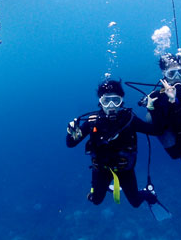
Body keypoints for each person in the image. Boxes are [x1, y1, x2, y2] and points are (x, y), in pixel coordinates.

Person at [66, 79, 160, 208]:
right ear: (100, 102)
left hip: (125, 170)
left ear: (121, 101)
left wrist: (151, 109)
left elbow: (155, 130)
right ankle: (107, 187)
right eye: (106, 101)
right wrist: (71, 134)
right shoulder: (92, 122)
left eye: (115, 101)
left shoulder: (129, 119)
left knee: (136, 203)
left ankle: (146, 193)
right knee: (95, 200)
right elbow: (70, 143)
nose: (111, 105)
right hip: (101, 170)